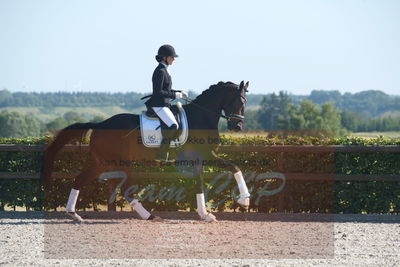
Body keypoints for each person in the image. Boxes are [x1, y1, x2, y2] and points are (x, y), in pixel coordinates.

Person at [144, 44, 187, 162]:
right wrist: (174, 95)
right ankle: (161, 154)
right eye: (172, 57)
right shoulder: (160, 71)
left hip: (164, 105)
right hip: (158, 105)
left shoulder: (165, 70)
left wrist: (178, 92)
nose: (174, 59)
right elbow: (158, 92)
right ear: (164, 58)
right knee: (173, 125)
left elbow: (166, 90)